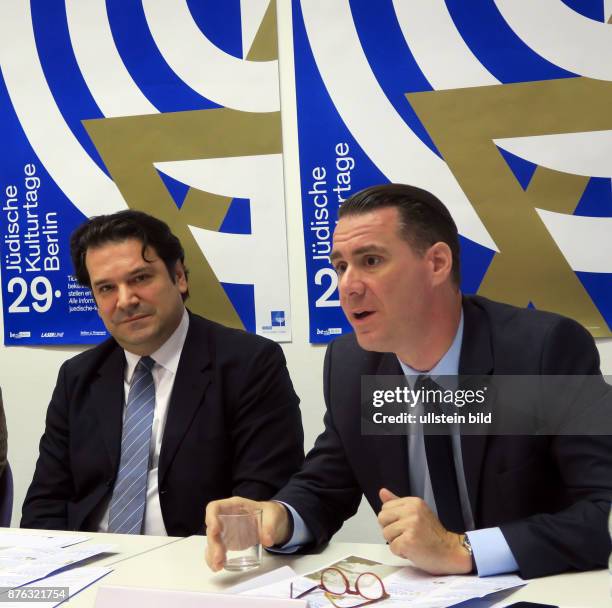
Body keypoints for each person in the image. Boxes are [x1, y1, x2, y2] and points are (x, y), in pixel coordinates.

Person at [205, 183, 612, 579]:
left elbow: (601, 509)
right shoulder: (353, 366)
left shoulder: (539, 352)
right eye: (340, 266)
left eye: (371, 261)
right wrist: (278, 517)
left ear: (437, 263)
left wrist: (461, 549)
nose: (347, 286)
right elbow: (325, 486)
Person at [21, 210, 304, 535]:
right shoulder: (78, 376)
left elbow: (260, 499)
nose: (125, 300)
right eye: (106, 288)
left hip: (201, 565)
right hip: (88, 566)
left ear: (179, 277)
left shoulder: (249, 364)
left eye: (140, 278)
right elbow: (46, 502)